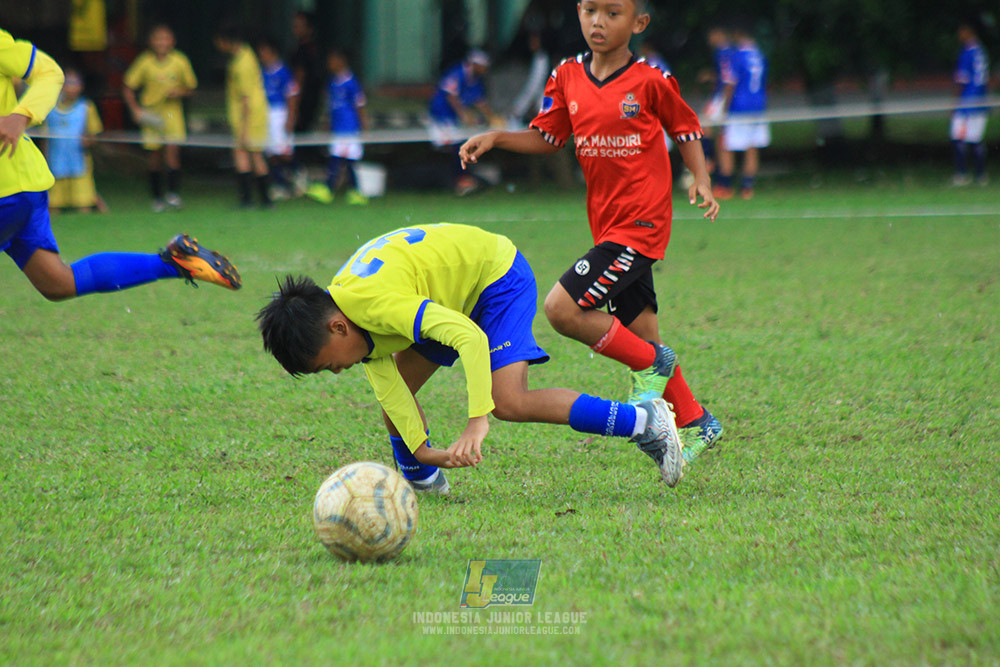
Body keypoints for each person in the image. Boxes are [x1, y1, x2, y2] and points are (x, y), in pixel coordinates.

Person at [459, 0, 723, 464]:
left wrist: (700, 177)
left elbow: (685, 128)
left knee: (561, 309)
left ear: (639, 22)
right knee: (641, 334)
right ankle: (698, 421)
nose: (598, 22)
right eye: (589, 10)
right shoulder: (566, 76)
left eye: (612, 13)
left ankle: (653, 366)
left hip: (640, 224)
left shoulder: (651, 80)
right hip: (608, 226)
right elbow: (549, 137)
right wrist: (497, 137)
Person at [256, 223, 685, 494]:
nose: (335, 371)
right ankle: (421, 480)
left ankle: (644, 421)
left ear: (337, 328)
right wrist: (425, 453)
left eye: (327, 364)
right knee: (399, 398)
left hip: (495, 277)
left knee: (509, 402)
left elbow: (468, 337)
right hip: (446, 296)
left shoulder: (375, 304)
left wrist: (477, 420)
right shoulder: (348, 318)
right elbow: (393, 394)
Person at [0, 28, 241, 302]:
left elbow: (50, 72)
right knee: (57, 283)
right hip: (20, 184)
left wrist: (21, 115)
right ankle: (176, 262)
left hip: (7, 190)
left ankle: (169, 199)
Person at [123, 24, 197, 212]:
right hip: (151, 114)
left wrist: (179, 92)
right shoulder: (144, 62)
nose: (162, 42)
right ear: (151, 42)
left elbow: (191, 88)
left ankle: (173, 195)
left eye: (165, 38)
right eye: (158, 38)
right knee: (154, 155)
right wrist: (135, 109)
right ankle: (156, 197)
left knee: (172, 153)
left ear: (172, 41)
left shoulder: (180, 60)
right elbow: (128, 86)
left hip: (172, 113)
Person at [428, 49, 502, 195]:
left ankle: (464, 178)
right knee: (456, 144)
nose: (485, 69)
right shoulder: (457, 73)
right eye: (483, 66)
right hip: (441, 117)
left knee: (464, 143)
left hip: (453, 120)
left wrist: (492, 117)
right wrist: (464, 114)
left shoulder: (476, 79)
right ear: (475, 64)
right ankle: (460, 179)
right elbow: (451, 96)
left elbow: (480, 101)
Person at [214, 25, 271, 209]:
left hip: (249, 116)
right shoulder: (243, 54)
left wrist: (244, 129)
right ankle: (257, 200)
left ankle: (257, 200)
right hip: (247, 115)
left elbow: (246, 98)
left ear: (225, 41)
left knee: (250, 154)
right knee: (248, 154)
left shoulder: (242, 63)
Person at [305, 48, 369, 206]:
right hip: (337, 127)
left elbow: (359, 104)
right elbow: (330, 106)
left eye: (332, 60)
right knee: (340, 157)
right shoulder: (332, 82)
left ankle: (332, 189)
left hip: (349, 127)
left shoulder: (351, 82)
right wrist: (327, 122)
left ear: (341, 60)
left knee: (343, 158)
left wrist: (363, 123)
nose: (329, 64)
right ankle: (351, 191)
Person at [716, 25, 768, 200]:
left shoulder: (737, 56)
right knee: (751, 147)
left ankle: (726, 186)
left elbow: (730, 83)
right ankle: (747, 188)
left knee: (725, 144)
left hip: (739, 106)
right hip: (758, 106)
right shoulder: (760, 55)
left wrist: (724, 107)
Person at [44, 68, 106, 214]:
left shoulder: (86, 107)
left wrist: (88, 141)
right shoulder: (49, 108)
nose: (72, 88)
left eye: (76, 83)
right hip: (55, 162)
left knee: (83, 205)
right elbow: (44, 138)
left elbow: (95, 134)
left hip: (79, 163)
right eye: (69, 83)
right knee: (53, 206)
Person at [257, 37, 300, 199]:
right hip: (265, 114)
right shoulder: (261, 72)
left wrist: (291, 117)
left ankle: (297, 175)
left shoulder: (284, 72)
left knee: (284, 151)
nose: (262, 55)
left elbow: (292, 95)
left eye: (264, 52)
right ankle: (280, 184)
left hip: (280, 113)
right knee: (271, 152)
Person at [951, 22, 990, 187]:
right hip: (981, 101)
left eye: (961, 32)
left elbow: (962, 80)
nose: (959, 36)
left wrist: (955, 103)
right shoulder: (981, 52)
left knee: (958, 137)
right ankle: (981, 176)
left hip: (967, 102)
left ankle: (962, 174)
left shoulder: (967, 53)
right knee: (976, 139)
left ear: (968, 32)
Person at [700, 26, 733, 179]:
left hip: (721, 96)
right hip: (722, 96)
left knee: (704, 124)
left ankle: (708, 159)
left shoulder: (722, 52)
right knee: (720, 136)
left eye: (711, 36)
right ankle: (719, 172)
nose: (709, 40)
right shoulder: (730, 51)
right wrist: (711, 76)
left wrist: (724, 100)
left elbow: (728, 78)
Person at [290, 11, 324, 135]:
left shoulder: (306, 51)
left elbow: (299, 79)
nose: (296, 29)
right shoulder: (301, 49)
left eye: (299, 26)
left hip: (306, 103)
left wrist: (294, 107)